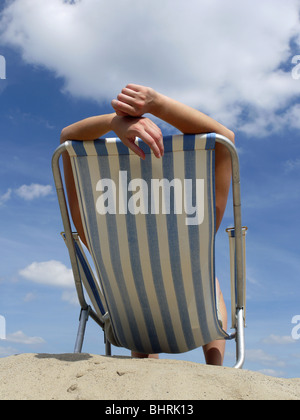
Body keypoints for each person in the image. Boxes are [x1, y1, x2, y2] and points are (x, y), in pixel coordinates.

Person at [60, 84, 235, 366]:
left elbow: (67, 140)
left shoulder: (94, 231)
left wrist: (112, 122)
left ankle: (145, 361)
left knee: (135, 290)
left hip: (129, 326)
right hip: (194, 319)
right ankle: (215, 367)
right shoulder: (198, 226)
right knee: (208, 277)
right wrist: (157, 104)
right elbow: (224, 138)